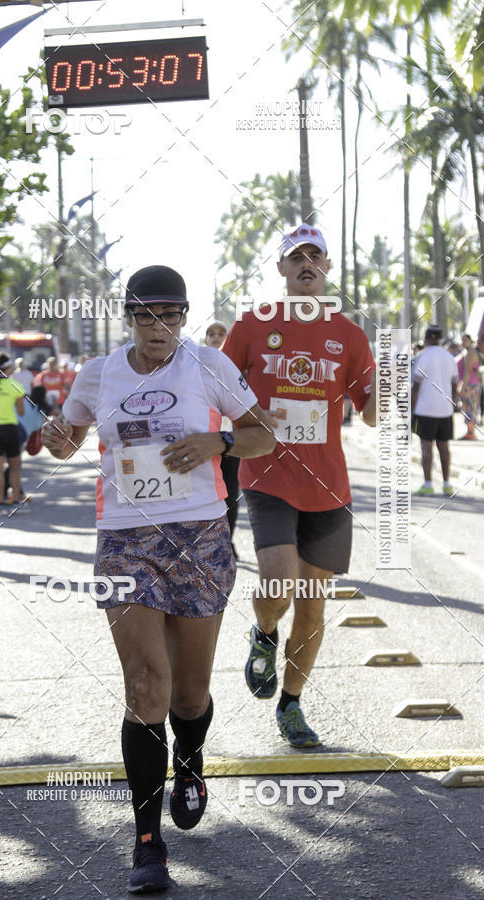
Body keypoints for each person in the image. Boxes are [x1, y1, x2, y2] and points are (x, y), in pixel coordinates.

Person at [42, 265, 274, 894]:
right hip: (125, 540)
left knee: (188, 695)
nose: (159, 329)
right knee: (146, 684)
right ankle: (147, 842)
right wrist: (56, 436)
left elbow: (264, 436)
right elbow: (66, 439)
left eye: (171, 317)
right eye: (147, 317)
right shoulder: (98, 373)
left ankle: (189, 760)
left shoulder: (207, 365)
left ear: (183, 318)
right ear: (130, 319)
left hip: (199, 536)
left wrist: (216, 442)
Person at [222, 222, 376, 749]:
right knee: (278, 582)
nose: (307, 264)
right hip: (268, 474)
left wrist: (391, 386)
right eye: (297, 257)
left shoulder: (349, 335)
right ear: (282, 268)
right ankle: (264, 631)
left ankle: (291, 704)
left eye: (316, 256)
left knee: (311, 604)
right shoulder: (251, 325)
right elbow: (216, 390)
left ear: (327, 266)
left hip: (328, 486)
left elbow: (372, 413)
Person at [204, 321, 241, 555]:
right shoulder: (195, 366)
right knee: (206, 492)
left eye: (221, 333)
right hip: (204, 441)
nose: (216, 337)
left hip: (231, 442)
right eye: (211, 333)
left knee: (231, 491)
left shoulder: (237, 366)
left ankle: (228, 540)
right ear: (205, 339)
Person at [412, 324, 459, 495]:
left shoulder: (422, 356)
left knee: (426, 447)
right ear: (440, 338)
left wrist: (410, 410)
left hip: (425, 409)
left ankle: (428, 485)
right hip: (445, 409)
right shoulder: (450, 357)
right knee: (444, 447)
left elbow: (416, 387)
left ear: (426, 338)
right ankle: (446, 484)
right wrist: (451, 404)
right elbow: (455, 385)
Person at [0, 353, 25, 513]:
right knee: (15, 466)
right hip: (10, 428)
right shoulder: (15, 385)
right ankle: (16, 500)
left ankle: (0, 502)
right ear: (7, 368)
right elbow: (21, 412)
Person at [457, 333, 481, 440]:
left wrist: (462, 388)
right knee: (471, 408)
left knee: (470, 409)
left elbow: (467, 372)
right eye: (462, 340)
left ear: (470, 341)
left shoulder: (471, 352)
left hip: (471, 385)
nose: (463, 342)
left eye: (465, 340)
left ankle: (471, 433)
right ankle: (470, 432)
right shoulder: (472, 351)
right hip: (474, 384)